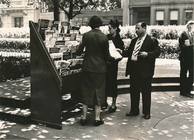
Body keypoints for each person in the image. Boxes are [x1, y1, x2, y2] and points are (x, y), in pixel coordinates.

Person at [77, 16, 109, 126]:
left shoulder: (86, 36)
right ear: (99, 24)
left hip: (87, 67)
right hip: (100, 69)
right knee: (99, 92)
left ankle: (84, 118)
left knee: (86, 91)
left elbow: (79, 50)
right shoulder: (104, 37)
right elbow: (107, 56)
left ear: (90, 24)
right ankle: (97, 119)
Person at [124, 22, 160, 119]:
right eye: (135, 28)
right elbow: (129, 52)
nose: (136, 30)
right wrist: (120, 52)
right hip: (134, 70)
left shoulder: (152, 40)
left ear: (144, 28)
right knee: (134, 91)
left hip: (145, 71)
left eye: (138, 28)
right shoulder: (134, 40)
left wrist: (147, 54)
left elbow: (157, 52)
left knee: (146, 92)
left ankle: (146, 112)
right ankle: (134, 110)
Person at [105, 19, 124, 113]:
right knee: (104, 83)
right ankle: (104, 102)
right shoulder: (106, 37)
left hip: (113, 65)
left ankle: (113, 104)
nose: (109, 30)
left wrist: (117, 54)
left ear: (115, 28)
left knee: (113, 84)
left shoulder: (119, 40)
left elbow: (122, 54)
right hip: (105, 64)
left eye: (110, 28)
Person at [178, 20, 194, 98]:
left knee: (192, 75)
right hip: (185, 58)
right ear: (187, 26)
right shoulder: (183, 34)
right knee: (183, 74)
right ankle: (183, 91)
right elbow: (181, 46)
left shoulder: (193, 34)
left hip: (192, 58)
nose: (191, 27)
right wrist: (190, 46)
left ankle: (188, 90)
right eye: (190, 25)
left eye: (193, 26)